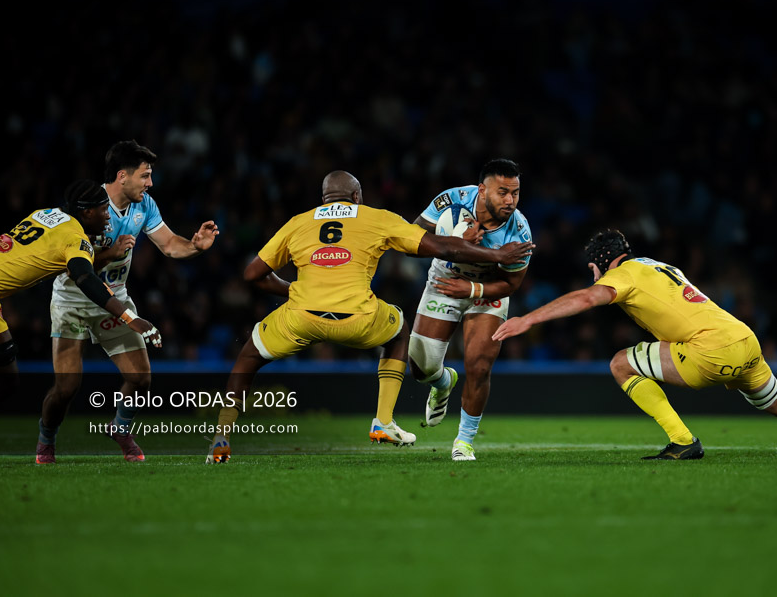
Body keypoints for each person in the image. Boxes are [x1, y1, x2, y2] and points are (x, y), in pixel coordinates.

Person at [206, 170, 533, 463]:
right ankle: (383, 421)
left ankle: (220, 439)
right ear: (357, 198)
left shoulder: (299, 222)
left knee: (248, 357)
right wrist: (495, 254)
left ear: (323, 200)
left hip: (300, 316)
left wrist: (292, 290)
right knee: (399, 332)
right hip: (358, 319)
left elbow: (252, 275)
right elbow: (439, 247)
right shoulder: (375, 217)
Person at [492, 228, 777, 459]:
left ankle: (683, 442)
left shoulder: (625, 274)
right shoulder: (658, 266)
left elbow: (585, 298)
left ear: (603, 261)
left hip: (710, 351)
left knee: (619, 363)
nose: (593, 275)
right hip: (744, 340)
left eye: (594, 268)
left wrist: (527, 318)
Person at [47, 140, 219, 463]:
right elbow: (71, 267)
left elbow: (169, 245)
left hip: (115, 297)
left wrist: (195, 246)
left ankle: (120, 427)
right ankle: (46, 439)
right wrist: (110, 254)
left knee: (140, 378)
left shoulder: (145, 205)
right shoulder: (86, 204)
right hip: (73, 298)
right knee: (66, 387)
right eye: (145, 176)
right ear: (122, 176)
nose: (150, 183)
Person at [0, 180, 163, 464]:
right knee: (10, 383)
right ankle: (46, 440)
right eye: (103, 211)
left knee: (6, 381)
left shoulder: (44, 213)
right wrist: (130, 317)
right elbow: (84, 278)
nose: (108, 217)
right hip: (15, 298)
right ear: (86, 213)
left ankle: (119, 428)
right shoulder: (76, 239)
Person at [406, 159, 532, 462]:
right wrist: (454, 244)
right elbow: (410, 239)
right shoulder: (450, 202)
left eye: (515, 193)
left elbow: (511, 283)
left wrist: (473, 290)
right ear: (482, 189)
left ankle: (464, 442)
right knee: (420, 369)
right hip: (446, 282)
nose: (510, 201)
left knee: (478, 365)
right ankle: (442, 382)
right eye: (502, 192)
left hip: (486, 291)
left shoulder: (519, 230)